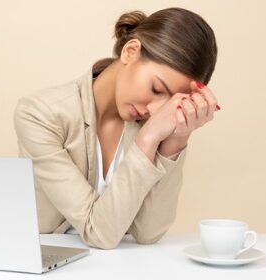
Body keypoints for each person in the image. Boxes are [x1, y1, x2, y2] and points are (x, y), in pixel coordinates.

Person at [13, 7, 220, 250]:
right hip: (46, 261)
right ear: (130, 51)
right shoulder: (39, 114)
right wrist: (148, 138)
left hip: (119, 268)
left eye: (170, 103)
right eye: (156, 88)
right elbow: (98, 233)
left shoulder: (152, 124)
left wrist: (178, 138)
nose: (155, 112)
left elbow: (148, 232)